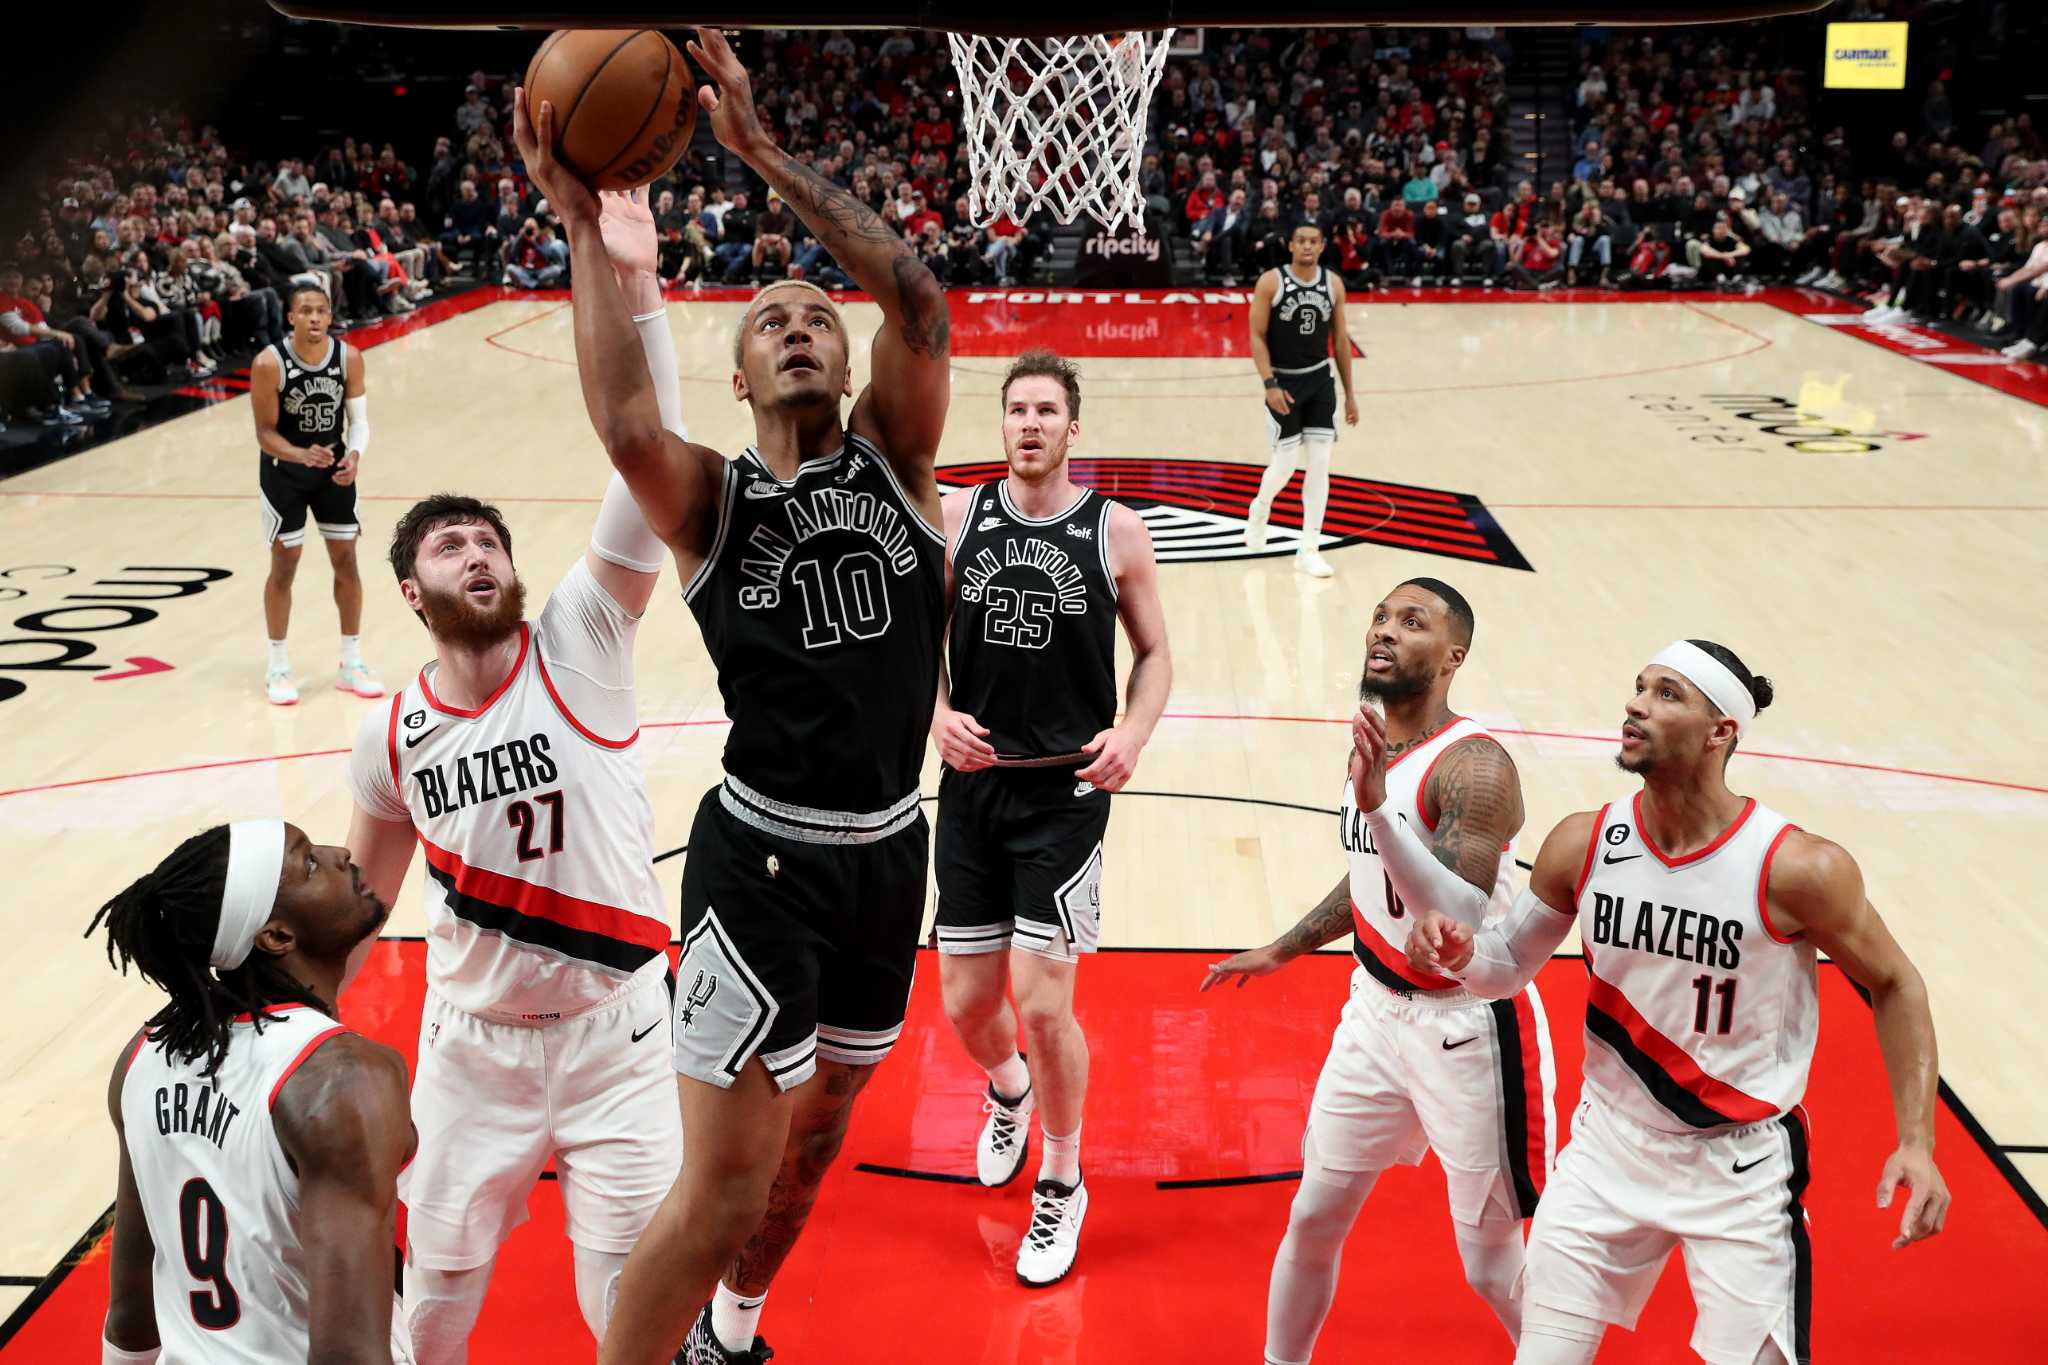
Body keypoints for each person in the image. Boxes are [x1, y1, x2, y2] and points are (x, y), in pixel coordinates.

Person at [513, 28, 954, 1365]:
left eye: (819, 315)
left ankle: (734, 1335)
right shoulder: (714, 500)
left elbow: (920, 304)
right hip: (756, 863)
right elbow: (622, 421)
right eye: (772, 322)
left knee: (810, 1155)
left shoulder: (902, 466)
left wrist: (761, 153)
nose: (803, 326)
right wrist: (586, 228)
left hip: (890, 856)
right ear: (744, 375)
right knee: (715, 1197)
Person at [342, 189, 685, 1365]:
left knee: (631, 1315)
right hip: (470, 1050)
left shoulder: (582, 640)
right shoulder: (391, 734)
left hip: (618, 1039)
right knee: (431, 1303)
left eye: (489, 541)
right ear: (412, 594)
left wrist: (636, 284)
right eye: (450, 547)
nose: (478, 555)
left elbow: (651, 456)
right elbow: (354, 905)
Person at [1405, 640, 1952, 1364]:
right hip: (1606, 1150)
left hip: (1739, 1169)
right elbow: (1502, 968)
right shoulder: (1586, 841)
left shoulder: (1795, 866)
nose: (1636, 704)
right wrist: (1461, 953)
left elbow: (1895, 981)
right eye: (1639, 687)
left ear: (1721, 729)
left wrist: (1917, 1138)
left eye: (1667, 694)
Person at [1204, 579, 1554, 1365]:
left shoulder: (1476, 768)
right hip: (1373, 1013)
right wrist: (1289, 943)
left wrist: (1377, 807)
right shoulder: (1374, 745)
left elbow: (1458, 900)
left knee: (1490, 1267)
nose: (1385, 631)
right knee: (1313, 1216)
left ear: (1453, 656)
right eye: (1381, 616)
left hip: (1468, 1028)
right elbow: (1374, 875)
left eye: (1412, 622)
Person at [931, 350, 1173, 1287]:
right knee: (965, 1004)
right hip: (973, 790)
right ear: (1002, 427)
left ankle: (1064, 1179)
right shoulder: (958, 518)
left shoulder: (1115, 531)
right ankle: (1008, 1092)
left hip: (1065, 796)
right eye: (1016, 410)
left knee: (1041, 1001)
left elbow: (1153, 655)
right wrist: (935, 712)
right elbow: (919, 651)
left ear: (1074, 429)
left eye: (1047, 411)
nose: (1030, 424)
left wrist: (1135, 734)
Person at [91, 820, 414, 1365]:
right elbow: (348, 1354)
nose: (340, 854)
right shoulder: (342, 1077)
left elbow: (130, 1311)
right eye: (309, 863)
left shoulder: (143, 1056)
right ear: (276, 935)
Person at [251, 282, 379, 706]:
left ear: (329, 315)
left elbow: (358, 422)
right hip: (284, 474)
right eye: (305, 311)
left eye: (321, 311)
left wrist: (355, 456)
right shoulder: (269, 364)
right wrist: (302, 455)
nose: (314, 318)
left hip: (333, 473)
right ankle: (278, 664)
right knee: (284, 566)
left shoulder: (349, 358)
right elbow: (265, 434)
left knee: (346, 560)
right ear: (290, 317)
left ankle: (351, 661)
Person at [1245, 222, 1359, 578]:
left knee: (1321, 463)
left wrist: (1350, 393)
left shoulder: (1333, 283)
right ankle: (1261, 506)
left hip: (1320, 380)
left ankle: (1309, 547)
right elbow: (1256, 335)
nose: (1307, 246)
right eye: (1301, 241)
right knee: (1285, 466)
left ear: (1322, 246)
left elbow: (1340, 340)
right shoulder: (1271, 282)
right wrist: (1269, 384)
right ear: (1291, 246)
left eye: (1313, 241)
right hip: (1284, 383)